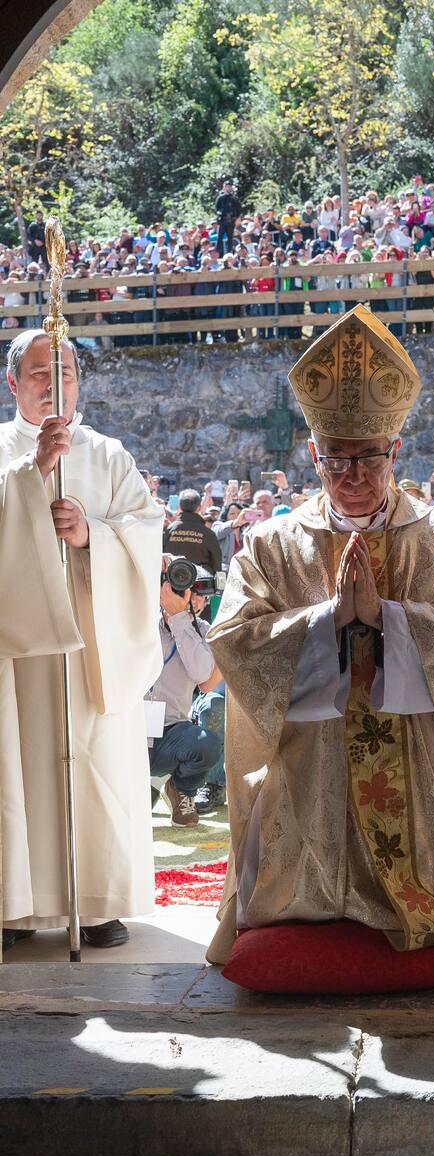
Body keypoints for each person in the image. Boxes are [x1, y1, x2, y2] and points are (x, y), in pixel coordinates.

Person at [204, 304, 434, 971]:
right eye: (335, 461)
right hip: (310, 760)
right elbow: (233, 638)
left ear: (395, 451)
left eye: (367, 459)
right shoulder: (272, 543)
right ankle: (311, 907)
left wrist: (387, 620)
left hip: (417, 759)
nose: (351, 476)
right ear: (314, 454)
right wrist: (329, 623)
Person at [0, 330, 162, 952]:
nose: (54, 383)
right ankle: (13, 905)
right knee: (16, 764)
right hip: (18, 655)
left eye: (64, 370)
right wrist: (29, 477)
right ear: (13, 383)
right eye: (40, 372)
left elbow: (146, 531)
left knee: (91, 760)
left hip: (93, 645)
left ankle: (94, 900)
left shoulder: (107, 455)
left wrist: (93, 532)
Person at [147, 558, 224, 827]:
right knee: (135, 813)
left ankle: (181, 788)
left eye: (198, 594)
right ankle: (153, 783)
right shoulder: (143, 623)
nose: (192, 600)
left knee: (206, 744)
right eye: (181, 589)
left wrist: (180, 620)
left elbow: (204, 676)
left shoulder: (204, 633)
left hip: (171, 734)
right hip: (127, 733)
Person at [164, 488, 223, 575]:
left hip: (172, 580)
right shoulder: (208, 533)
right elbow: (216, 564)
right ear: (199, 508)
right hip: (201, 583)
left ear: (179, 506)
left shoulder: (169, 530)